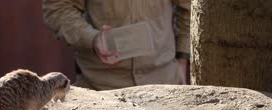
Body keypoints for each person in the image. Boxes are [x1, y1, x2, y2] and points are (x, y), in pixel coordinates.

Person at [42, 0, 191, 91]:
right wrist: (92, 38)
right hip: (100, 87)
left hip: (165, 82)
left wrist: (182, 59)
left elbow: (190, 6)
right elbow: (57, 7)